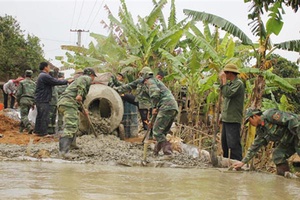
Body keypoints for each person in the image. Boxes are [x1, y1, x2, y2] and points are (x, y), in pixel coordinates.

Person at [233, 108, 300, 176]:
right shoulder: (261, 130)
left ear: (255, 116)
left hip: (297, 133)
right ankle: (286, 178)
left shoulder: (269, 115)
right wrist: (242, 162)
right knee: (278, 155)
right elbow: (254, 147)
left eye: (250, 121)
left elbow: (292, 120)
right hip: (288, 140)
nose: (251, 124)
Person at [57, 67, 97, 158]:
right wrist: (79, 94)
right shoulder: (85, 78)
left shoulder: (82, 80)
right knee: (70, 126)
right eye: (93, 77)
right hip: (68, 103)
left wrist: (83, 110)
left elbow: (80, 101)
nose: (93, 79)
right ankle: (63, 152)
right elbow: (80, 88)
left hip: (67, 103)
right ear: (91, 75)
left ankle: (72, 145)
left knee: (75, 123)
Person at [141, 67, 178, 156]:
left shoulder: (150, 81)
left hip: (166, 106)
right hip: (173, 107)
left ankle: (168, 152)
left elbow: (155, 93)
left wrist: (154, 107)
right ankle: (156, 152)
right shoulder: (157, 81)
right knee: (162, 133)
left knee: (156, 132)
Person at [34, 62, 73, 137]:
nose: (49, 68)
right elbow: (55, 81)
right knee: (44, 116)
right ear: (45, 67)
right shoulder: (45, 76)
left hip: (40, 98)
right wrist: (67, 81)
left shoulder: (41, 75)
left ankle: (37, 131)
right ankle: (43, 133)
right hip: (43, 99)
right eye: (48, 67)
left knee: (40, 116)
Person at [219, 63, 245, 161]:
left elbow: (228, 94)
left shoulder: (238, 84)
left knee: (233, 144)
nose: (225, 74)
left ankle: (237, 163)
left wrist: (224, 81)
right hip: (227, 118)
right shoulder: (229, 84)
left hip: (233, 119)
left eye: (226, 73)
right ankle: (227, 162)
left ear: (231, 73)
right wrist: (222, 117)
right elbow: (226, 102)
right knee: (225, 144)